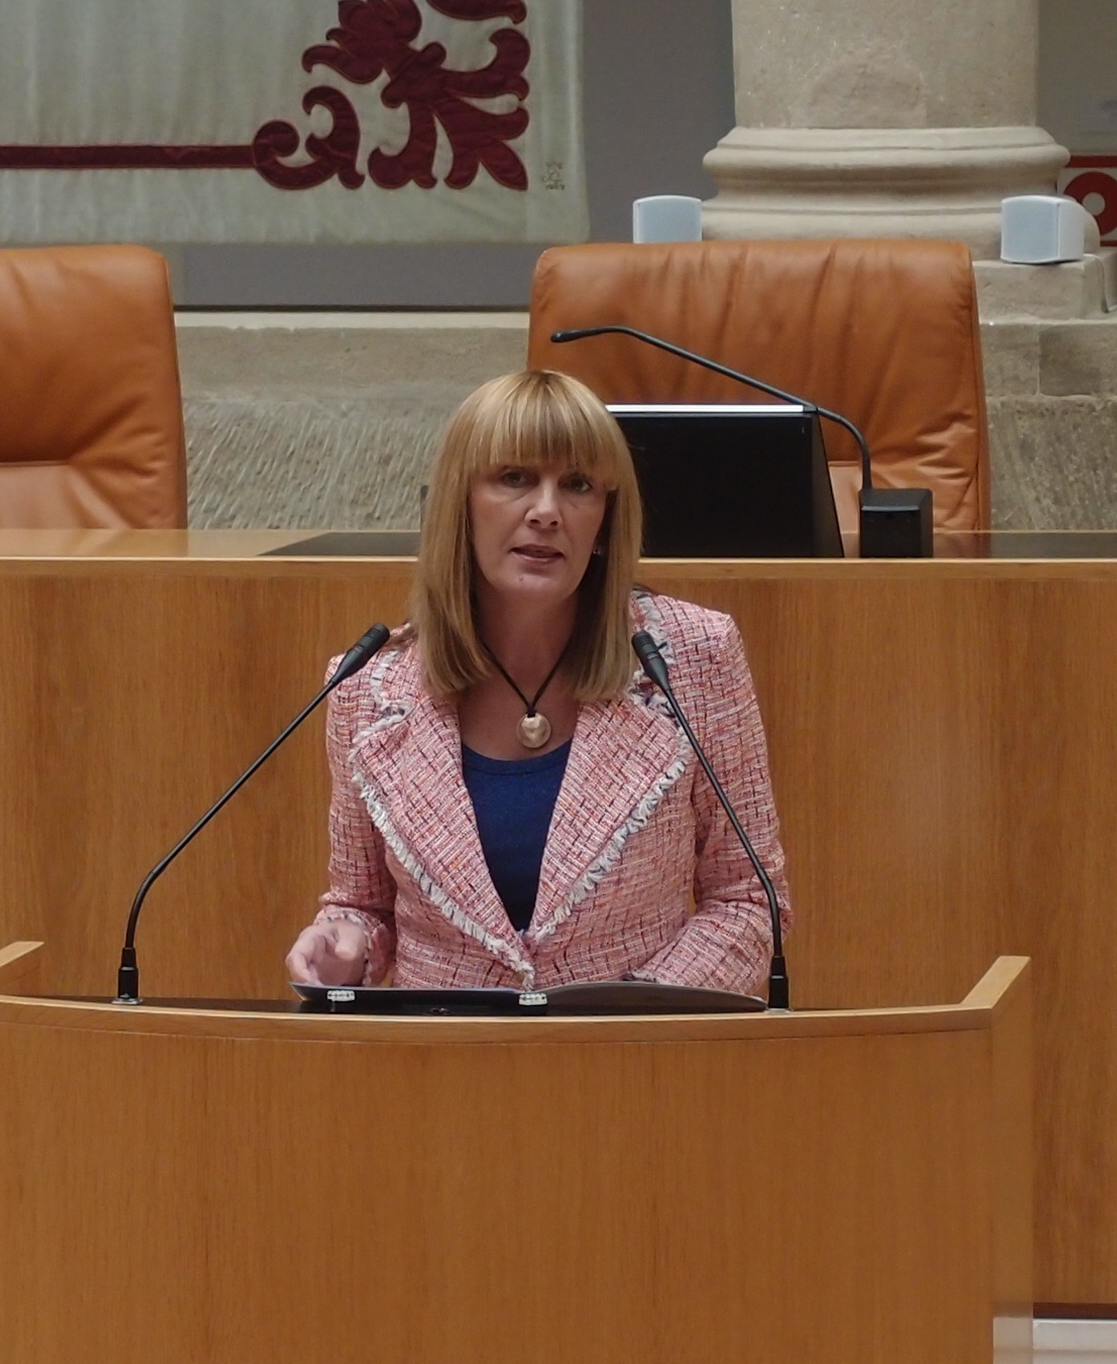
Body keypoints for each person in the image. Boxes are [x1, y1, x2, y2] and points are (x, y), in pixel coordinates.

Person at [286, 368, 790, 996]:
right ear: (459, 504)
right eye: (515, 477)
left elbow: (746, 899)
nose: (547, 512)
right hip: (442, 1071)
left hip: (642, 1070)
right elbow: (363, 906)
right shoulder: (367, 688)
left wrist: (627, 1020)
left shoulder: (691, 658)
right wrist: (343, 942)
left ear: (605, 517)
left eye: (577, 485)